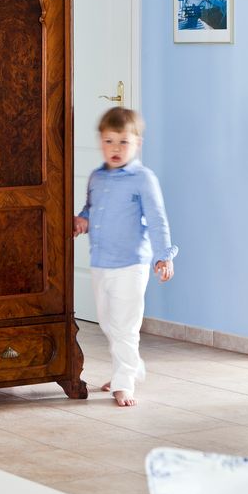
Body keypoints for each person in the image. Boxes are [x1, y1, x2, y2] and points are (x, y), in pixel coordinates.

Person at [74, 107, 178, 408]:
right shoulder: (96, 178)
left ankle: (124, 382)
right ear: (100, 142)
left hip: (131, 264)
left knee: (126, 326)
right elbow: (91, 209)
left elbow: (157, 220)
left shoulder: (143, 179)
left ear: (137, 144)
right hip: (101, 262)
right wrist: (82, 220)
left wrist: (163, 256)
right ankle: (130, 367)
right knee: (108, 323)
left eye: (123, 142)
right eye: (109, 141)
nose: (116, 148)